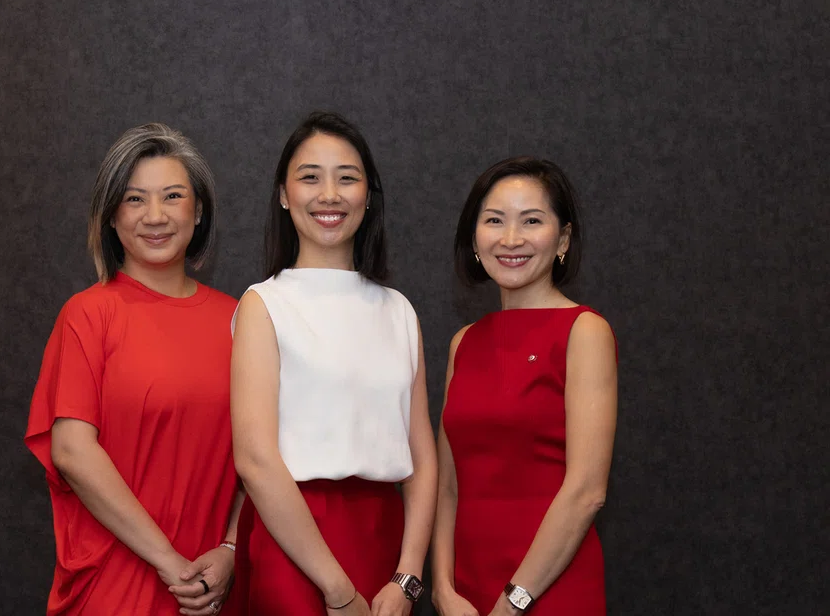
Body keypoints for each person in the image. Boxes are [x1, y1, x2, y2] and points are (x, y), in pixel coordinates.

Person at [25, 123, 244, 616]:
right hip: (115, 583)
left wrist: (230, 550)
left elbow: (264, 455)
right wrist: (169, 564)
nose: (156, 216)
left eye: (172, 195)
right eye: (134, 199)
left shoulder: (241, 319)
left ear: (199, 209)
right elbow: (72, 451)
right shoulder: (88, 314)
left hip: (210, 590)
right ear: (111, 217)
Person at [230, 111, 438, 616]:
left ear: (368, 196)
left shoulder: (398, 310)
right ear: (283, 194)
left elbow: (423, 459)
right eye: (309, 177)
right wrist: (336, 589)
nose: (329, 194)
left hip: (385, 544)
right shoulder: (264, 305)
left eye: (347, 177)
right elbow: (256, 460)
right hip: (294, 544)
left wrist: (408, 576)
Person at [431, 157, 618, 616]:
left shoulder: (584, 331)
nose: (510, 239)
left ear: (563, 239)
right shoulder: (464, 343)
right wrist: (441, 588)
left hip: (549, 588)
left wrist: (514, 602)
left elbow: (587, 490)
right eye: (494, 220)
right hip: (466, 593)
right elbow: (448, 485)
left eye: (531, 221)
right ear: (474, 238)